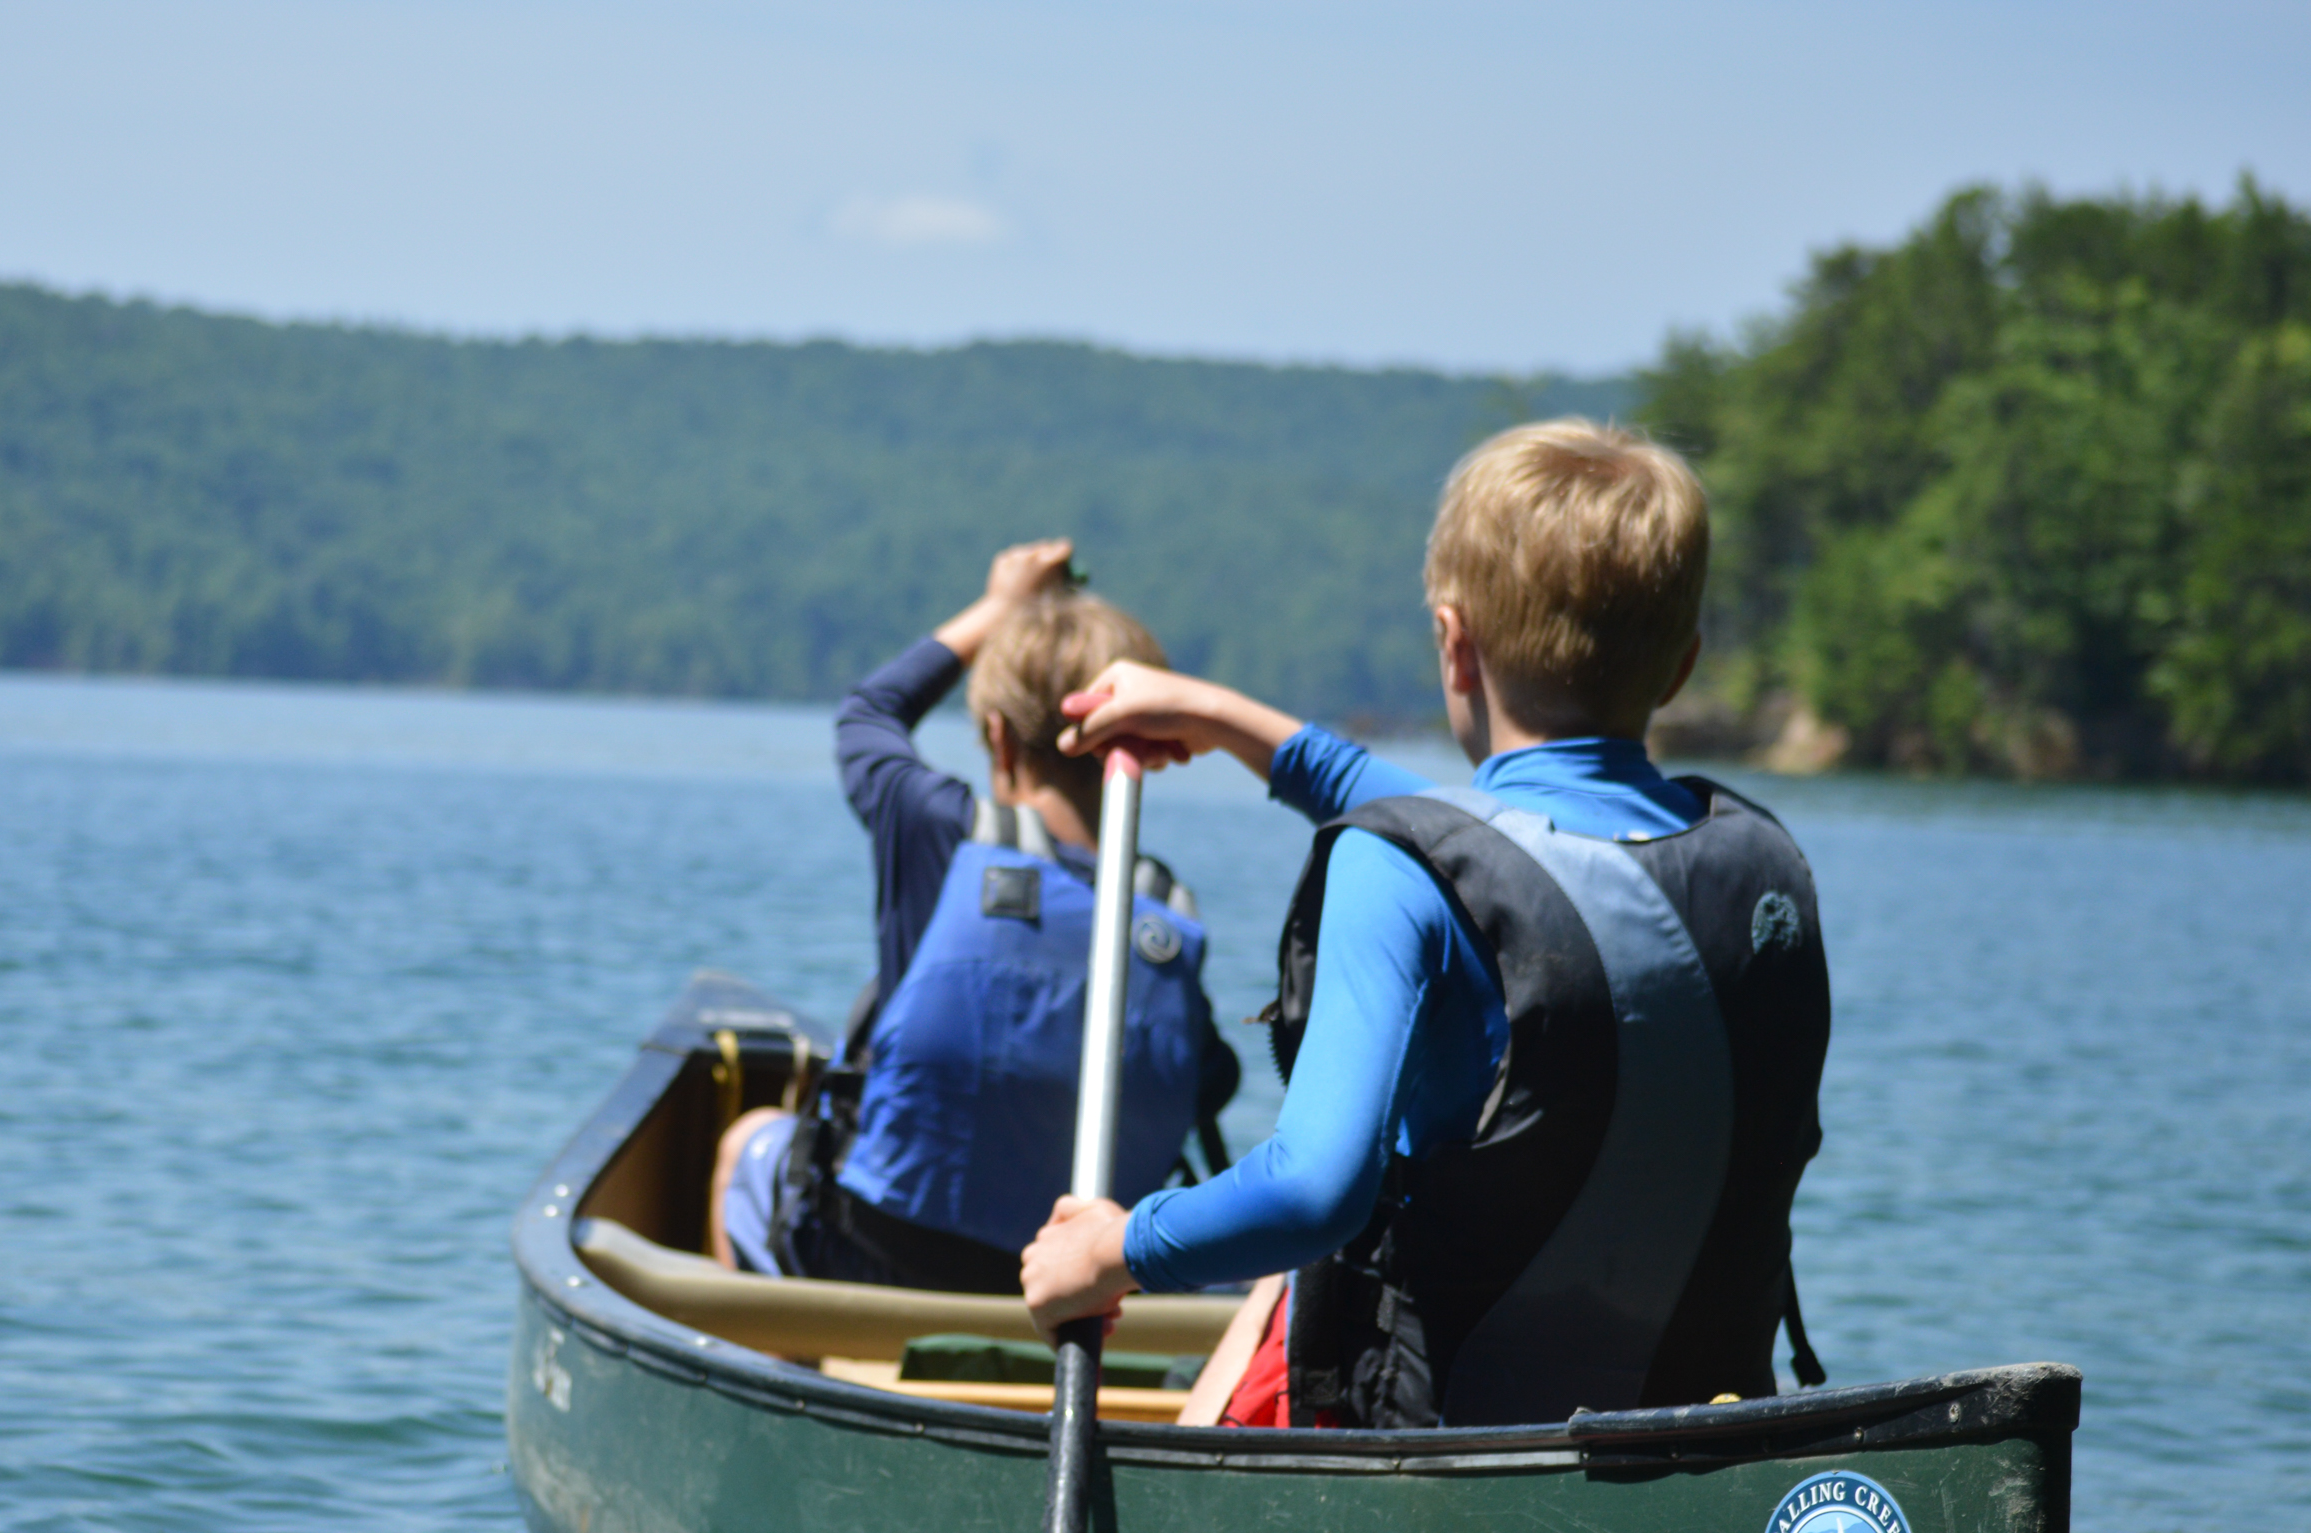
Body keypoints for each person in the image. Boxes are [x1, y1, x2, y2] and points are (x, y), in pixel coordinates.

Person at [1019, 420, 1830, 1426]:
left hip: (1454, 1465)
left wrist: (1116, 1247)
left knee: (1279, 1285)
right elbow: (1513, 853)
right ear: (1680, 667)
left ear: (1454, 645)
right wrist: (1217, 715)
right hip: (1703, 1433)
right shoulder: (1759, 868)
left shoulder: (1396, 869)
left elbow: (1313, 1193)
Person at [708, 540, 1241, 1293]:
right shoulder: (1165, 912)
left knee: (745, 1144)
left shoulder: (942, 832)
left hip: (881, 1249)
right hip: (1079, 1288)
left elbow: (869, 712)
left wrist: (1000, 608)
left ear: (996, 737)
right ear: (1149, 748)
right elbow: (1207, 1080)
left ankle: (792, 1370)